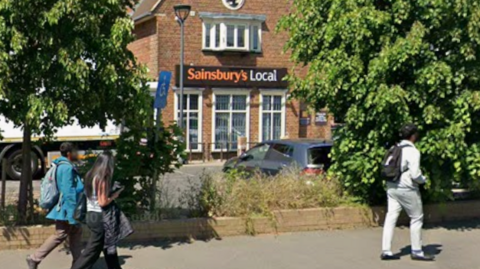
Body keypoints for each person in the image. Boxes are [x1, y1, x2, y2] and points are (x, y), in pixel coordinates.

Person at [381, 124, 434, 261]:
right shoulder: (412, 151)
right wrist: (423, 180)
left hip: (391, 186)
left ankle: (386, 250)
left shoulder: (395, 148)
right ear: (413, 136)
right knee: (416, 218)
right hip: (407, 188)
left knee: (391, 217)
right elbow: (415, 174)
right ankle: (417, 251)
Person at [27, 142, 84, 269]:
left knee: (75, 233)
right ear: (69, 154)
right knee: (61, 234)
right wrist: (71, 215)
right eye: (75, 152)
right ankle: (34, 258)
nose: (77, 154)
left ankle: (79, 264)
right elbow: (68, 192)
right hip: (66, 209)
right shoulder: (66, 168)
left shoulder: (62, 165)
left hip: (66, 208)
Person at [72, 151, 132, 269]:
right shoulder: (102, 179)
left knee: (108, 246)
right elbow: (102, 202)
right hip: (99, 217)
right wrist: (114, 196)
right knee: (91, 252)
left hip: (91, 214)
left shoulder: (90, 175)